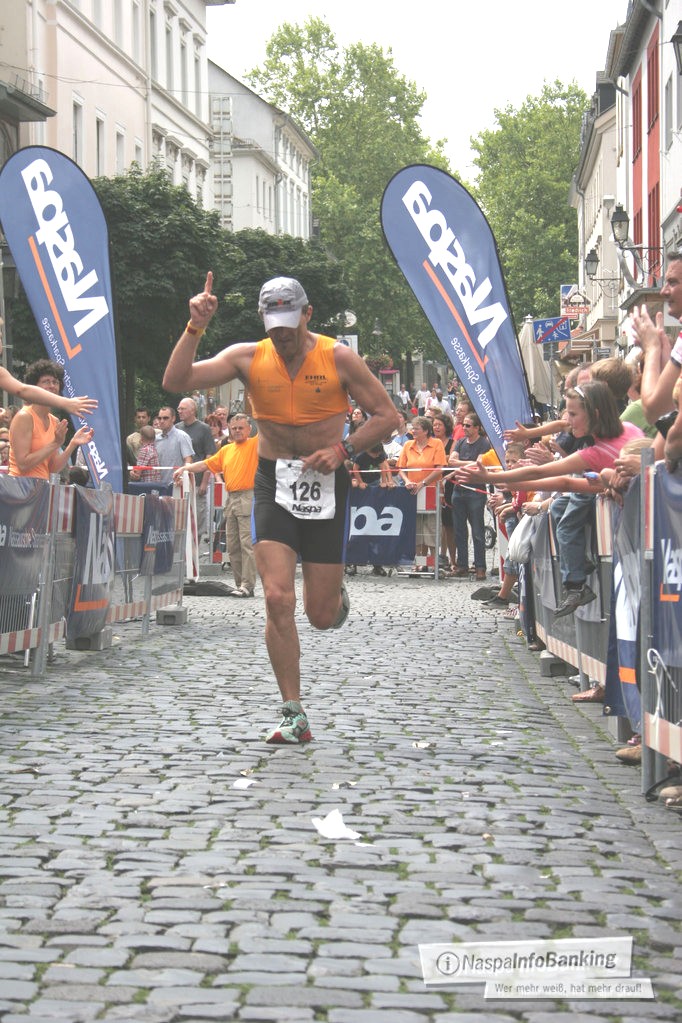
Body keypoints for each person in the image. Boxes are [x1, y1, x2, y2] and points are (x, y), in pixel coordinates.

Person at [163, 272, 399, 744]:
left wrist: (344, 449)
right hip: (273, 483)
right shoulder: (248, 357)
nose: (282, 336)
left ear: (307, 314)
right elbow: (176, 380)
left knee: (320, 615)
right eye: (274, 327)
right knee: (276, 597)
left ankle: (333, 597)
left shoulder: (338, 357)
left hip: (326, 482)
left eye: (290, 325)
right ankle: (294, 712)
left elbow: (388, 416)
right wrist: (195, 327)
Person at [455, 381, 644, 623]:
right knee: (563, 509)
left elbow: (547, 475)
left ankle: (576, 577)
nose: (568, 422)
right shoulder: (626, 428)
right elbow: (564, 480)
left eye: (573, 414)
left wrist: (491, 478)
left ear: (595, 414)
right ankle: (578, 568)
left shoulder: (597, 452)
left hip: (638, 529)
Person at [174, 412, 259, 597]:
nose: (237, 431)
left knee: (247, 544)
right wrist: (186, 468)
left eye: (241, 428)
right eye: (234, 428)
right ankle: (240, 585)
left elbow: (268, 430)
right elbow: (205, 464)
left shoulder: (255, 444)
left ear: (249, 429)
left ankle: (247, 585)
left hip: (248, 496)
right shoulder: (226, 450)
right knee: (233, 545)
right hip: (232, 498)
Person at [8, 359, 95, 480]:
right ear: (34, 387)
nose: (52, 386)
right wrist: (55, 443)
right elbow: (23, 465)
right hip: (20, 486)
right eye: (46, 381)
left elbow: (52, 469)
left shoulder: (54, 421)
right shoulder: (24, 417)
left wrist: (72, 444)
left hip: (41, 487)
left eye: (55, 382)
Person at [397, 416, 446, 572]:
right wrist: (406, 481)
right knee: (416, 528)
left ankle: (434, 562)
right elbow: (401, 468)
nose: (413, 431)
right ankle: (420, 562)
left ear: (425, 431)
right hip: (413, 491)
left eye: (416, 429)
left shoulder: (436, 444)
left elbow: (439, 468)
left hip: (431, 490)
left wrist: (423, 483)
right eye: (413, 428)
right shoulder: (408, 445)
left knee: (431, 527)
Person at [447, 411, 491, 580]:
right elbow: (451, 461)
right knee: (459, 530)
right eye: (463, 424)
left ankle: (480, 567)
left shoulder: (483, 443)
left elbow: (478, 464)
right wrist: (468, 464)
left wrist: (460, 464)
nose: (464, 427)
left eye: (468, 425)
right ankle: (462, 565)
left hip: (475, 491)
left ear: (477, 428)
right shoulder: (460, 442)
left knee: (477, 531)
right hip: (458, 490)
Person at [350, 441, 396, 576]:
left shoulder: (380, 455)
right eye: (373, 454)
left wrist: (385, 481)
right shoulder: (361, 456)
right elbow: (355, 469)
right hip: (362, 485)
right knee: (356, 530)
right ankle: (351, 563)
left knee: (375, 531)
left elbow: (384, 468)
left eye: (377, 454)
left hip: (375, 483)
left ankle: (377, 564)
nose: (375, 456)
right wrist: (360, 482)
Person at [177, 396, 214, 537]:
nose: (180, 411)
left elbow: (209, 457)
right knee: (180, 521)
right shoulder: (177, 428)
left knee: (197, 521)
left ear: (193, 410)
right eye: (179, 409)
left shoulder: (204, 429)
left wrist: (205, 482)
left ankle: (196, 548)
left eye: (183, 408)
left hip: (197, 482)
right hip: (180, 482)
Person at [155, 405, 194, 490]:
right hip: (158, 486)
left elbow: (188, 460)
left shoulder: (182, 436)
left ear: (173, 419)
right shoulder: (156, 439)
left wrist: (183, 477)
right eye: (159, 418)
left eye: (165, 418)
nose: (161, 421)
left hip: (176, 485)